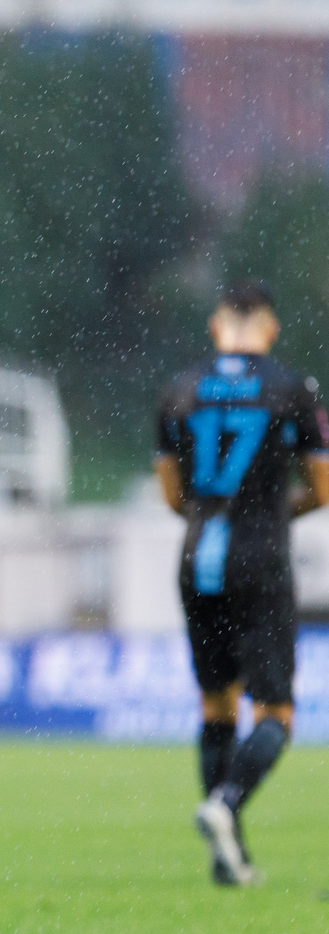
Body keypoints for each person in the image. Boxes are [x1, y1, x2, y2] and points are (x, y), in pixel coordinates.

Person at [154, 279, 329, 886]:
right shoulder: (291, 388)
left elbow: (172, 493)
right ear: (271, 328)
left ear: (215, 324)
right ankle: (225, 805)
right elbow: (322, 487)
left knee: (216, 702)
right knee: (275, 711)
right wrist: (278, 511)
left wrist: (210, 516)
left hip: (197, 556)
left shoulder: (178, 388)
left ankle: (227, 859)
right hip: (260, 559)